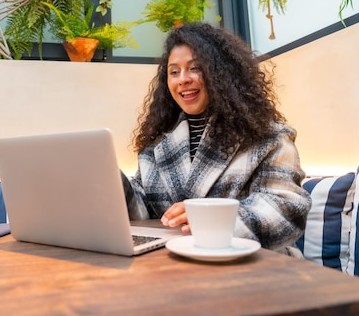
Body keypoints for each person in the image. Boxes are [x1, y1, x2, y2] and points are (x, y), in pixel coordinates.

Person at [123, 22, 311, 256]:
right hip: (173, 267)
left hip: (256, 268)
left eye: (195, 68)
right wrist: (115, 183)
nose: (182, 79)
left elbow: (286, 210)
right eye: (174, 71)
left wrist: (214, 220)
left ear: (220, 73)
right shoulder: (157, 146)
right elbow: (145, 209)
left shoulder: (267, 137)